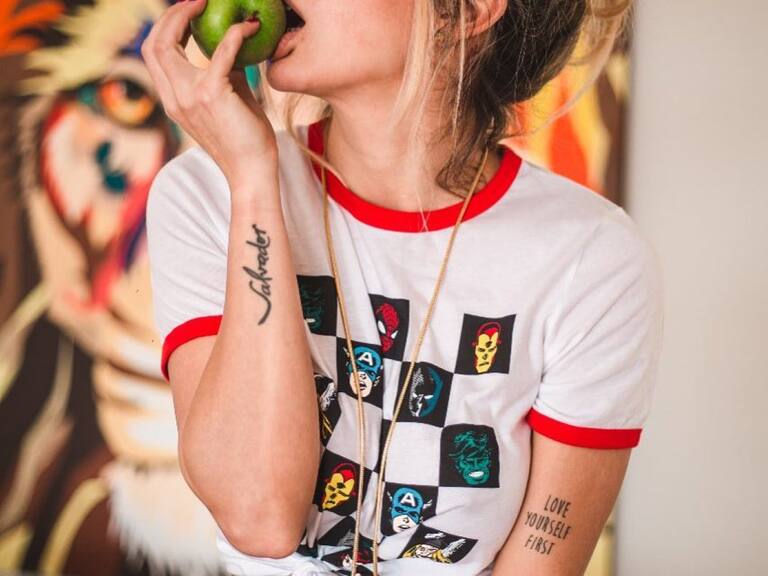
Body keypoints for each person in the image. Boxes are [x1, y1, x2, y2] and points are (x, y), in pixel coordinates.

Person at [141, 0, 664, 575]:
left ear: (467, 12)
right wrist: (251, 178)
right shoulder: (209, 195)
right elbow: (260, 520)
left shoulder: (592, 259)